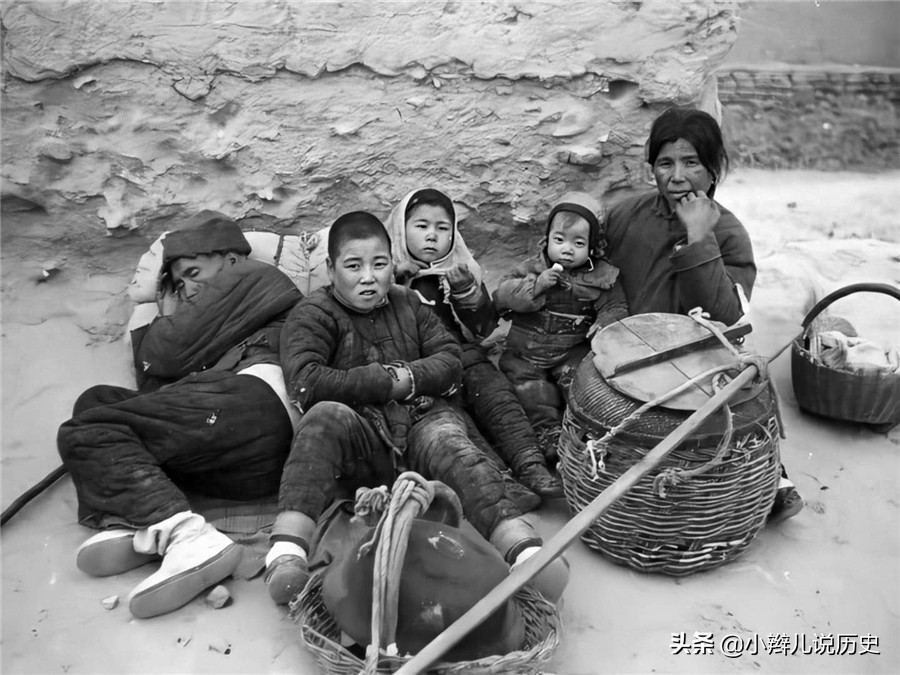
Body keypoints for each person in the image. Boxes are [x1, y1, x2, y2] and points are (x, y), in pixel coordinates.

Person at [264, 211, 569, 606]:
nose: (368, 277)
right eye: (353, 266)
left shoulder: (409, 303)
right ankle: (287, 553)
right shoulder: (313, 313)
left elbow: (449, 360)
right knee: (323, 418)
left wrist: (408, 378)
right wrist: (387, 381)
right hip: (362, 441)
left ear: (393, 263)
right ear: (330, 269)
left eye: (379, 264)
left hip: (424, 425)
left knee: (454, 443)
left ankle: (525, 551)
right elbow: (307, 381)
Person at [57, 211, 302, 619]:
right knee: (95, 402)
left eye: (193, 272)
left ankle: (188, 537)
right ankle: (154, 517)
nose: (186, 290)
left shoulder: (255, 276)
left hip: (258, 402)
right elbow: (153, 385)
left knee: (86, 432)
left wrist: (163, 322)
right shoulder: (223, 303)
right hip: (236, 438)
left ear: (230, 258)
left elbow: (159, 353)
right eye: (179, 283)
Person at [603, 105, 802, 521]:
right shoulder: (625, 216)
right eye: (665, 163)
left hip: (700, 365)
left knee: (732, 416)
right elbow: (602, 279)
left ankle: (768, 473)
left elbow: (726, 317)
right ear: (652, 169)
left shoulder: (729, 235)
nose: (677, 177)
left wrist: (698, 235)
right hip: (629, 355)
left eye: (691, 162)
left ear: (713, 170)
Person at [386, 187, 561, 499]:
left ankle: (531, 464)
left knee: (498, 397)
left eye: (443, 228)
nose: (432, 236)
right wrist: (396, 280)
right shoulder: (383, 274)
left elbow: (482, 327)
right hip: (422, 370)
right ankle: (500, 482)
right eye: (421, 226)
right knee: (457, 422)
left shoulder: (461, 269)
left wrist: (467, 290)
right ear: (400, 230)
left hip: (463, 356)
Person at [494, 192, 629, 456]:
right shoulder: (530, 269)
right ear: (546, 240)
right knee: (531, 390)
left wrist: (605, 322)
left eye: (578, 243)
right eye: (559, 240)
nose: (567, 249)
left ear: (592, 247)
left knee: (583, 382)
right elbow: (502, 296)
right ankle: (548, 434)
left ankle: (586, 431)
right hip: (526, 354)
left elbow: (616, 305)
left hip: (570, 350)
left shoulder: (600, 276)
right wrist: (536, 286)